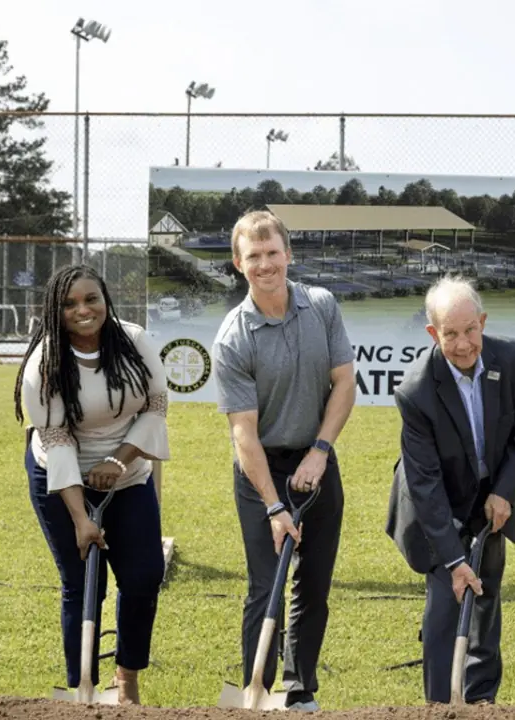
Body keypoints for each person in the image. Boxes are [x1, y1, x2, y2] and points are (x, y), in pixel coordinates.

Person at [212, 209, 357, 713]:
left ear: (288, 255)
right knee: (263, 584)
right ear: (238, 263)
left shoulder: (321, 305)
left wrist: (320, 451)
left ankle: (300, 689)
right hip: (261, 469)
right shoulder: (234, 336)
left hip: (315, 460)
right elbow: (242, 434)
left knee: (313, 584)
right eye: (254, 256)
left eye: (273, 253)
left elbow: (344, 382)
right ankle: (256, 688)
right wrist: (274, 507)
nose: (265, 264)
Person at [387, 275, 515, 705]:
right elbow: (425, 483)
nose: (462, 344)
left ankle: (481, 702)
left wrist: (504, 492)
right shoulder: (416, 391)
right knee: (445, 605)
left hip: (490, 497)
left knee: (485, 598)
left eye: (470, 330)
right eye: (450, 334)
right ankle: (440, 706)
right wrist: (454, 558)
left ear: (483, 321)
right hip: (435, 506)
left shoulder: (512, 359)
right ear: (432, 333)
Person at [16, 264, 169, 705]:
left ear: (106, 299)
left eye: (91, 299)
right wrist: (82, 517)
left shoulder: (135, 340)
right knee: (84, 582)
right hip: (60, 472)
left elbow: (156, 405)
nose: (83, 310)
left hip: (127, 469)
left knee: (143, 577)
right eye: (69, 304)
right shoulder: (44, 362)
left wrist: (117, 462)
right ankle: (81, 686)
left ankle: (127, 679)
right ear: (55, 311)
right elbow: (57, 438)